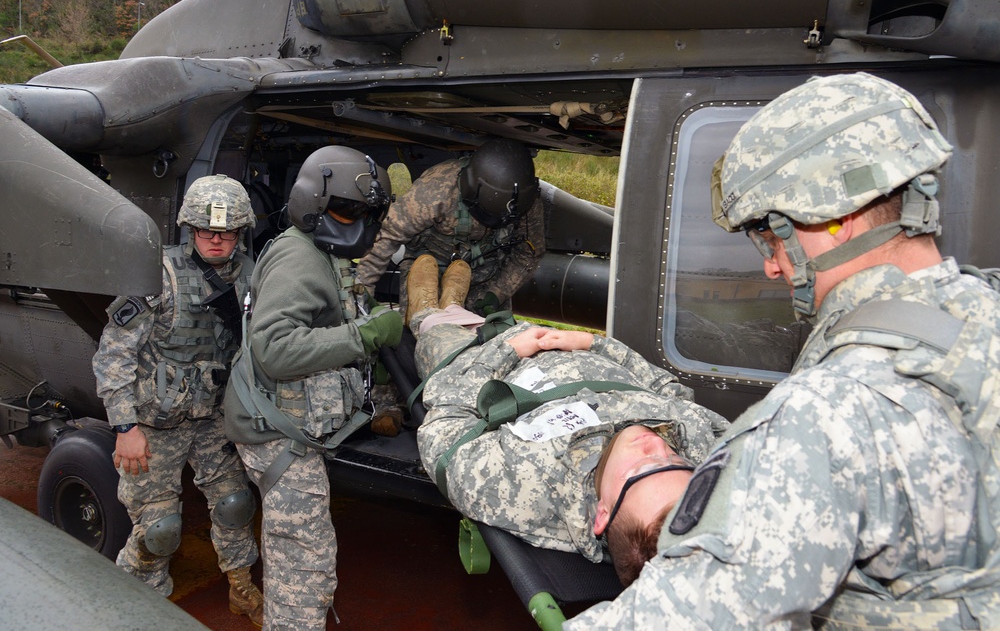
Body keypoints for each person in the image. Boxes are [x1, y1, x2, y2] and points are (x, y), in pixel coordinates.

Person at [567, 72, 1000, 629]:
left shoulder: (826, 419)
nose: (772, 265)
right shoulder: (980, 313)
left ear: (835, 220)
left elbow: (682, 615)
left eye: (773, 236)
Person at [406, 254, 728, 583]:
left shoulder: (521, 488)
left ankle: (427, 310)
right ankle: (455, 305)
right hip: (551, 342)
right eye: (677, 461)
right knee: (475, 316)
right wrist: (594, 344)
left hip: (476, 362)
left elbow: (445, 427)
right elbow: (669, 390)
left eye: (642, 469)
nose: (656, 446)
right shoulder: (707, 451)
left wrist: (506, 352)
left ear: (602, 514)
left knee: (438, 330)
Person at [224, 146, 403, 631]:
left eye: (364, 213)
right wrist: (360, 337)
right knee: (305, 565)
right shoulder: (299, 259)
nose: (355, 223)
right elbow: (275, 350)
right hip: (279, 434)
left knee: (304, 556)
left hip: (289, 426)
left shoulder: (320, 252)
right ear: (312, 203)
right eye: (346, 209)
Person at [93, 174, 263, 625]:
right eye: (207, 230)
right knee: (160, 529)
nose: (216, 239)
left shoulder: (251, 277)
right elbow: (114, 355)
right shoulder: (161, 274)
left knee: (235, 505)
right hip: (155, 424)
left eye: (226, 232)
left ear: (239, 233)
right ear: (190, 229)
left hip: (216, 421)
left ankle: (242, 589)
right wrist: (124, 427)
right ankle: (133, 606)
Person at [356, 138, 546, 322]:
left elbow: (529, 253)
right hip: (425, 275)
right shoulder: (435, 191)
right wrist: (361, 299)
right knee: (423, 332)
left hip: (486, 280)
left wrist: (497, 292)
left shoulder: (522, 201)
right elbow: (386, 238)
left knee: (487, 339)